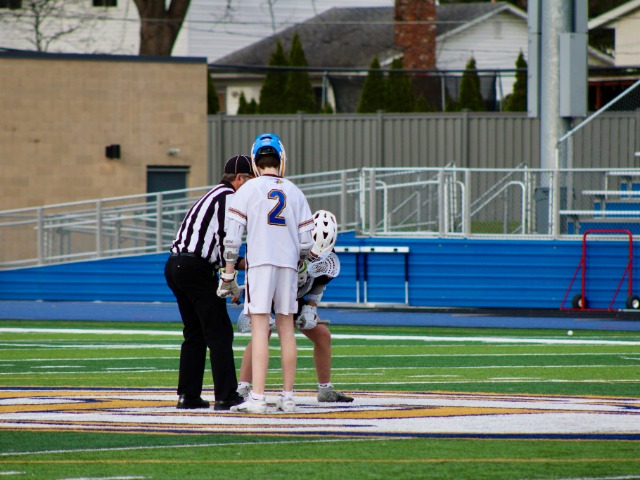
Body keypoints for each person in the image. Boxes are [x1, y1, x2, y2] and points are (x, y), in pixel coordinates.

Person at [217, 133, 314, 414]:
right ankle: (288, 397)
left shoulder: (247, 189)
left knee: (260, 330)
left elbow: (232, 239)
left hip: (260, 264)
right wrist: (299, 261)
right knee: (286, 329)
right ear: (281, 159)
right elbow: (306, 243)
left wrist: (228, 275)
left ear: (255, 162)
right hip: (288, 264)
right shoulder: (295, 191)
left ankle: (258, 398)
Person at [164, 155, 254, 411]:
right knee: (219, 332)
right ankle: (226, 395)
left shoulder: (212, 194)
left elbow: (215, 246)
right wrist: (229, 277)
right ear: (239, 178)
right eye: (250, 180)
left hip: (177, 265)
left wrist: (245, 265)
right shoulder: (229, 197)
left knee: (194, 332)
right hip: (195, 268)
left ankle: (188, 395)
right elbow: (227, 240)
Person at [236, 210, 354, 403]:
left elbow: (319, 284)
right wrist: (251, 302)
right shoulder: (286, 245)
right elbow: (259, 271)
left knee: (323, 335)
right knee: (262, 334)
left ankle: (325, 389)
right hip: (270, 290)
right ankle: (242, 388)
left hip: (295, 295)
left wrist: (310, 308)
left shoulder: (329, 259)